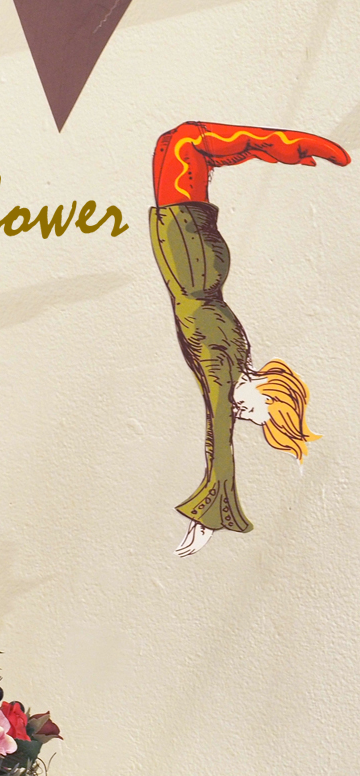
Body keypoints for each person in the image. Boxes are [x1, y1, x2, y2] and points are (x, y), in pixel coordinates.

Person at [149, 120, 348, 556]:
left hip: (194, 254)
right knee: (187, 140)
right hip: (192, 253)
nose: (243, 414)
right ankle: (294, 144)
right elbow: (218, 435)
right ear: (270, 392)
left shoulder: (236, 361)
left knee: (173, 143)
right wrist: (210, 516)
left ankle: (286, 148)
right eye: (258, 414)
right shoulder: (225, 369)